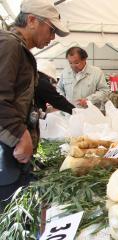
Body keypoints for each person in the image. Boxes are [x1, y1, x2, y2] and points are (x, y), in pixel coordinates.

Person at [0, 0, 69, 211]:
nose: (52, 37)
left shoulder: (19, 49)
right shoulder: (9, 45)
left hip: (11, 151)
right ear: (31, 21)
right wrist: (20, 134)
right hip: (6, 149)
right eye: (51, 30)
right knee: (9, 213)